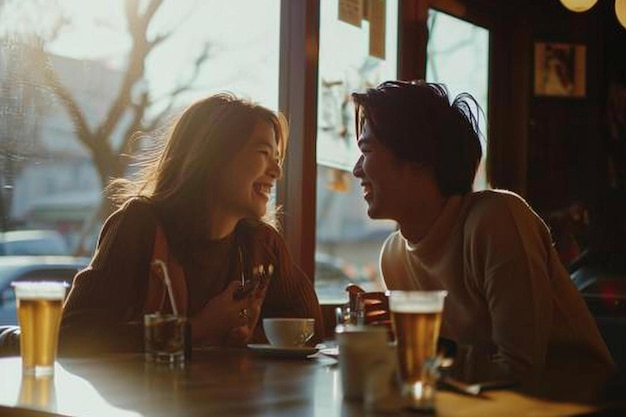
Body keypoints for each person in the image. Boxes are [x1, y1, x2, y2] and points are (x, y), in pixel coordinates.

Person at [350, 80, 615, 399]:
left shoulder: (496, 219)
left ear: (418, 157)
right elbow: (429, 369)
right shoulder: (394, 254)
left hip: (578, 403)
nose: (355, 170)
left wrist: (425, 347)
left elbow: (521, 369)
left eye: (366, 151)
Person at [59, 93, 323, 354]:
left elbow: (310, 332)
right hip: (149, 397)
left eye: (277, 158)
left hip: (228, 396)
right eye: (263, 153)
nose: (276, 171)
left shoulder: (261, 243)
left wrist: (249, 334)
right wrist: (198, 329)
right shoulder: (140, 226)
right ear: (214, 156)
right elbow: (73, 335)